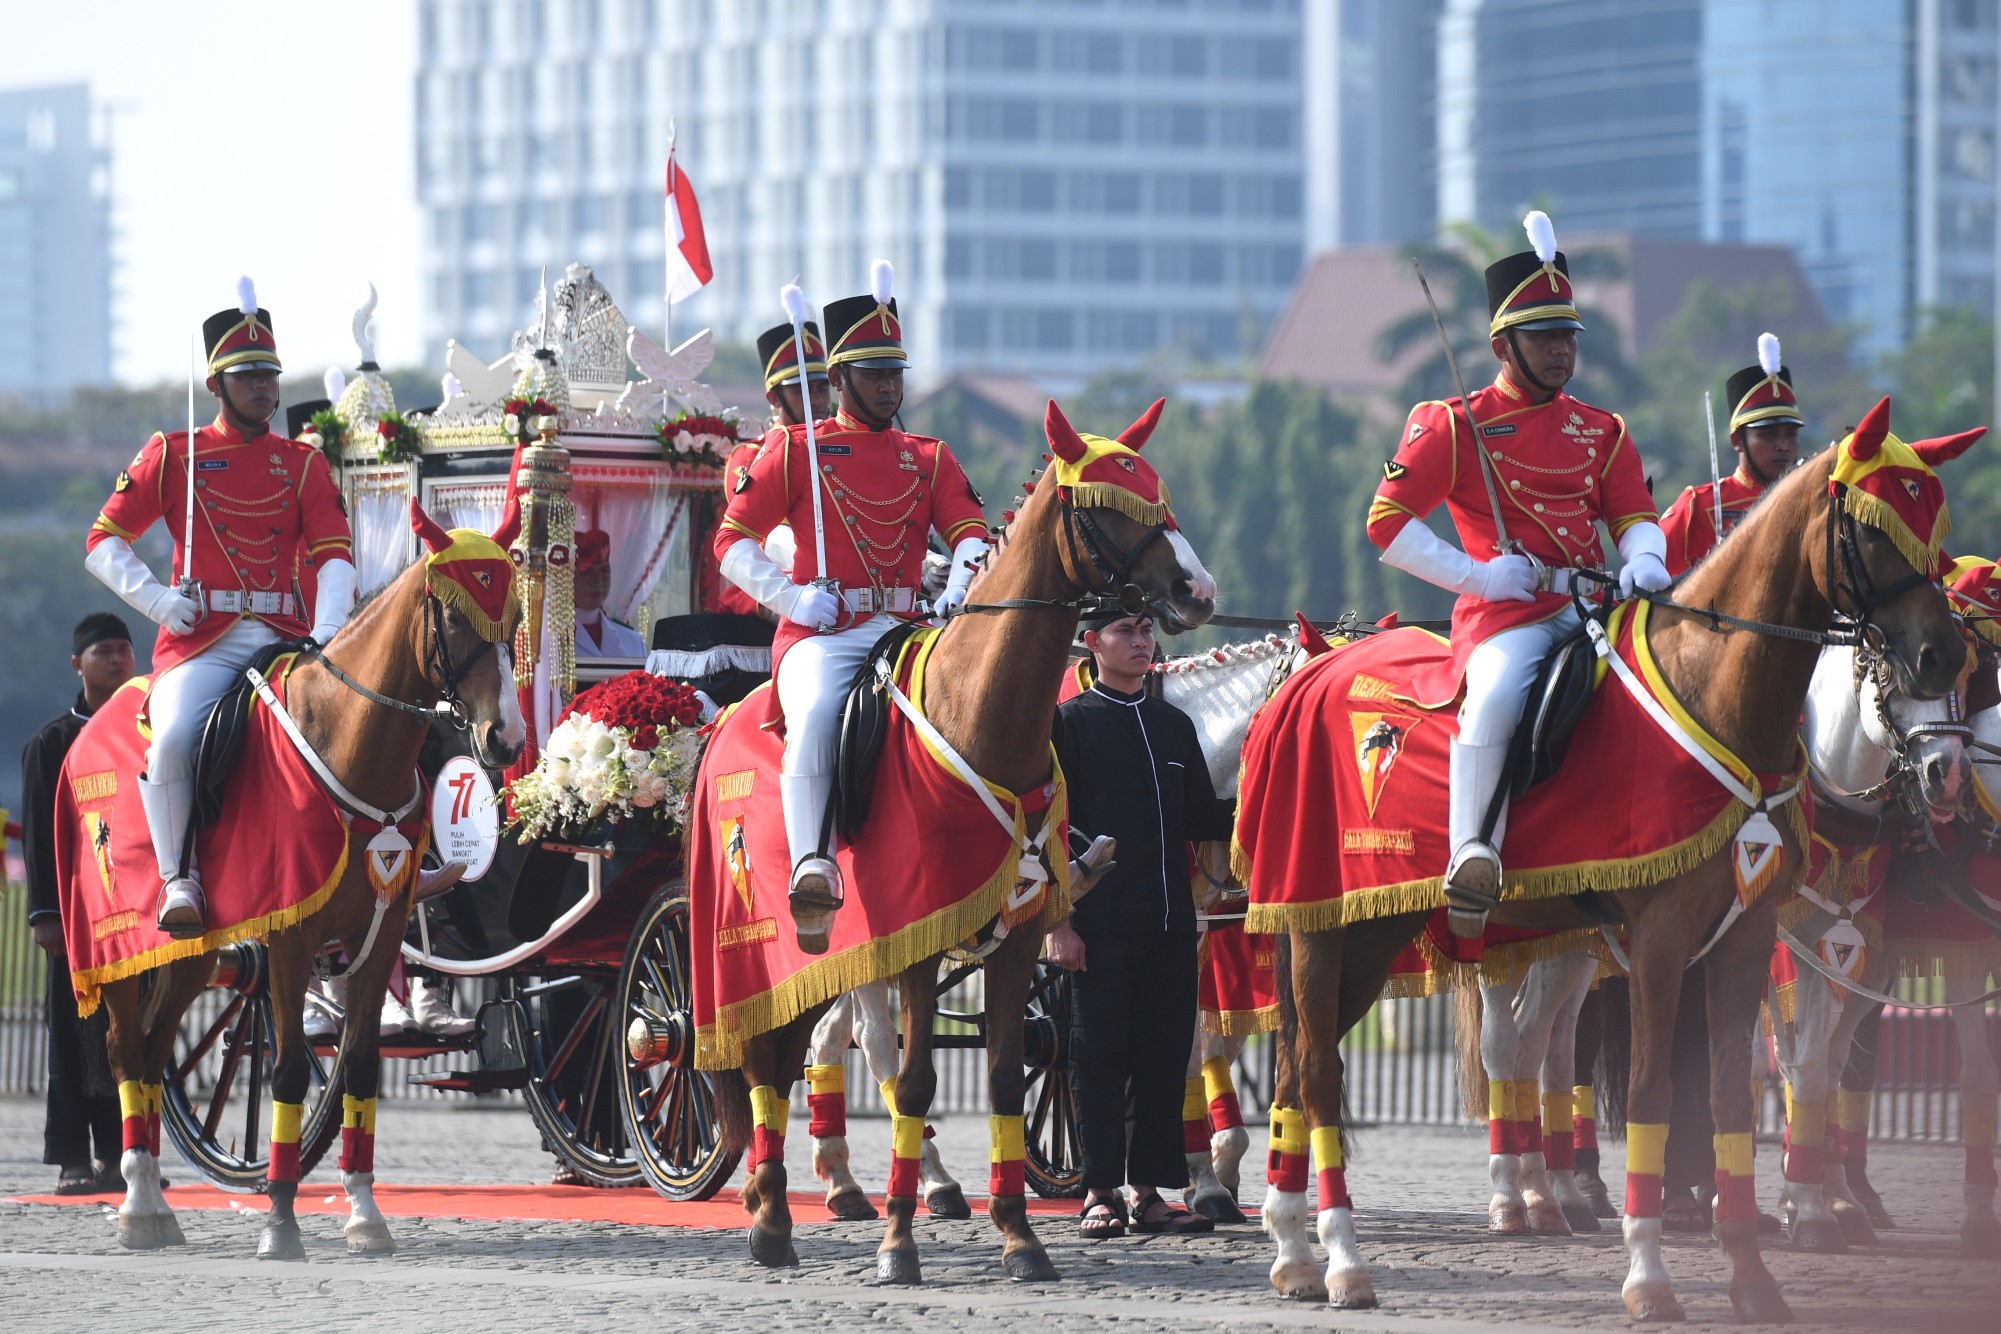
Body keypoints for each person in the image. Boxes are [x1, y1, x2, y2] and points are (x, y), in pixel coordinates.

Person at [1366, 211, 1667, 936]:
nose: (1562, 351)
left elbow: (1630, 512)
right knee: (1497, 695)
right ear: (1503, 345)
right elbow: (1387, 524)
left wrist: (1647, 560)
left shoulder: (1603, 428)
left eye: (1568, 336)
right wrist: (1477, 576)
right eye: (1544, 337)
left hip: (1599, 607)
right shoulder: (1452, 422)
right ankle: (1472, 851)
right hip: (1507, 615)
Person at [713, 262, 987, 950]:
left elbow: (971, 535)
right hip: (823, 634)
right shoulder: (794, 450)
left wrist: (956, 590)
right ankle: (813, 864)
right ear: (836, 380)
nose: (889, 386)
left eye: (895, 372)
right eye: (873, 374)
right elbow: (731, 544)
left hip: (910, 628)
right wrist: (794, 596)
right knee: (817, 719)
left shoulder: (928, 457)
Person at [82, 279, 355, 938]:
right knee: (174, 738)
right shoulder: (174, 453)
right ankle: (181, 877)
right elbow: (102, 541)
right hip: (202, 640)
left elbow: (336, 556)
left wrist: (324, 633)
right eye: (247, 375)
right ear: (217, 385)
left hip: (290, 636)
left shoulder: (303, 464)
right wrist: (157, 601)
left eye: (270, 375)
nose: (264, 386)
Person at [1048, 609, 1236, 1238]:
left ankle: (1149, 1193)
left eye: (1147, 631)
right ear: (1092, 642)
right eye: (1125, 631)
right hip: (1096, 925)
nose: (1140, 642)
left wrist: (1273, 786)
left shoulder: (1173, 725)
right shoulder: (1068, 724)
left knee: (1160, 1060)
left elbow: (1203, 819)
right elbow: (1046, 830)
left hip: (1169, 926)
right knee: (1098, 1057)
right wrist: (1059, 923)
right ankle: (1099, 1191)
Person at [21, 613, 137, 1193]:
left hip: (133, 914)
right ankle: (71, 1157)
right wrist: (45, 913)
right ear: (79, 664)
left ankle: (125, 1155)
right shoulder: (52, 744)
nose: (117, 660)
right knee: (72, 1036)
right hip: (73, 913)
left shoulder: (147, 734)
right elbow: (40, 834)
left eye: (125, 649)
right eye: (104, 651)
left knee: (129, 1034)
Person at [706, 319, 831, 620]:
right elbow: (767, 539)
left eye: (822, 388)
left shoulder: (845, 448)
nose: (816, 400)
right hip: (778, 587)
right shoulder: (750, 456)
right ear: (774, 398)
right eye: (803, 390)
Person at [1658, 334, 1804, 576]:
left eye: (1791, 434)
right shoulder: (1699, 507)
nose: (1783, 445)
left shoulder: (1814, 502)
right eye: (1768, 434)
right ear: (1738, 441)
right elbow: (1649, 584)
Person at [573, 530, 648, 657]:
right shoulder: (550, 640)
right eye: (586, 573)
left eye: (604, 572)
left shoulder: (633, 641)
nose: (597, 582)